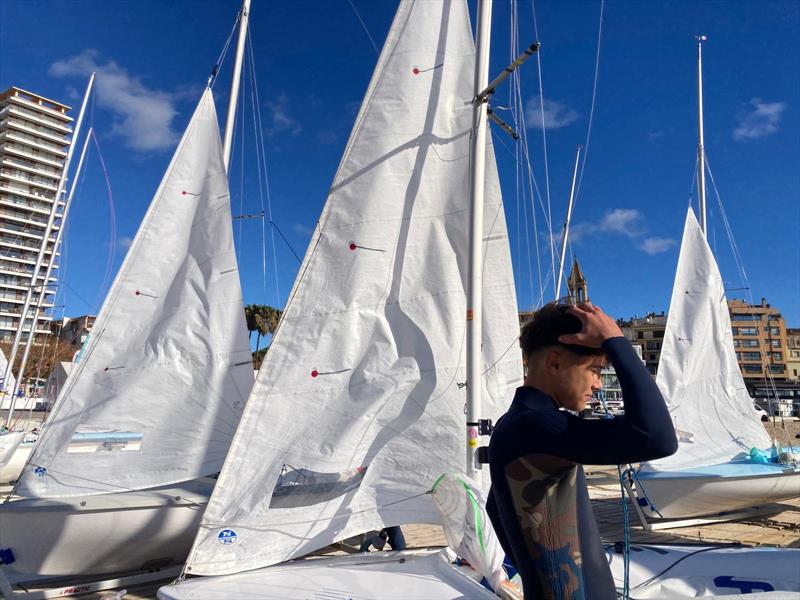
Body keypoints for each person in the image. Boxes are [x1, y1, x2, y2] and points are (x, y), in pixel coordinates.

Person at [487, 301, 677, 599]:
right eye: (595, 370)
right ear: (554, 362)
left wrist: (535, 573)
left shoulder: (517, 424)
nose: (599, 385)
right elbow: (657, 437)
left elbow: (495, 509)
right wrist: (616, 341)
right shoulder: (537, 426)